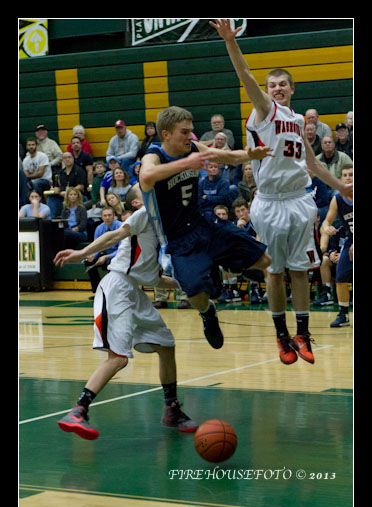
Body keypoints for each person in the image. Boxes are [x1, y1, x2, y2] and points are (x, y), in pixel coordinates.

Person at [211, 19, 353, 364]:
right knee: (275, 271)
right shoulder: (264, 110)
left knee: (301, 270)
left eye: (281, 85)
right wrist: (231, 41)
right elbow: (244, 74)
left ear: (291, 89)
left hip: (300, 201)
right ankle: (281, 336)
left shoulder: (294, 118)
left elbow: (314, 166)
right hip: (271, 202)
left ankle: (303, 333)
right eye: (271, 84)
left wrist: (344, 188)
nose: (276, 88)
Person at [53, 184, 197, 438]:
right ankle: (78, 410)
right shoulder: (142, 215)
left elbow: (156, 279)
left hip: (134, 292)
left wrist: (189, 284)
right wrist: (83, 252)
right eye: (144, 193)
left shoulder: (155, 228)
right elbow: (114, 235)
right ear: (135, 204)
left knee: (166, 345)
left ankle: (171, 409)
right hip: (117, 288)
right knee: (118, 357)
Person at [139, 105, 273, 350]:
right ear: (166, 134)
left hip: (204, 223)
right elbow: (146, 177)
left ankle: (227, 265)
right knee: (195, 295)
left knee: (264, 260)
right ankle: (208, 313)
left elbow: (226, 157)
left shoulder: (192, 148)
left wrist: (250, 156)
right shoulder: (153, 155)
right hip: (178, 238)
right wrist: (186, 163)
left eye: (191, 131)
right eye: (184, 132)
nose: (190, 136)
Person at [320, 164, 353, 327]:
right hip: (350, 240)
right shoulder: (337, 198)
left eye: (352, 174)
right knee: (341, 275)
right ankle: (344, 314)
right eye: (345, 175)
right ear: (341, 179)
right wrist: (327, 228)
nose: (348, 177)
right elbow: (325, 222)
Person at [84, 206, 122, 299]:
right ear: (102, 217)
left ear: (114, 216)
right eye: (105, 215)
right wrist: (93, 255)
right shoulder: (99, 228)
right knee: (89, 262)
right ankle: (98, 292)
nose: (107, 217)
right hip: (105, 253)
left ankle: (114, 293)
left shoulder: (120, 227)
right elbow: (97, 246)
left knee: (114, 262)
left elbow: (122, 249)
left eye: (109, 215)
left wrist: (107, 256)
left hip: (119, 255)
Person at [46, 151, 87, 219]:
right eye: (65, 158)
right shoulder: (60, 172)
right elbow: (57, 186)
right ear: (63, 160)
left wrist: (68, 193)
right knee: (51, 199)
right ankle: (52, 220)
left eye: (69, 157)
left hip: (76, 195)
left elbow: (81, 186)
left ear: (73, 159)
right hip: (62, 196)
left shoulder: (79, 170)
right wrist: (55, 190)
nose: (67, 159)